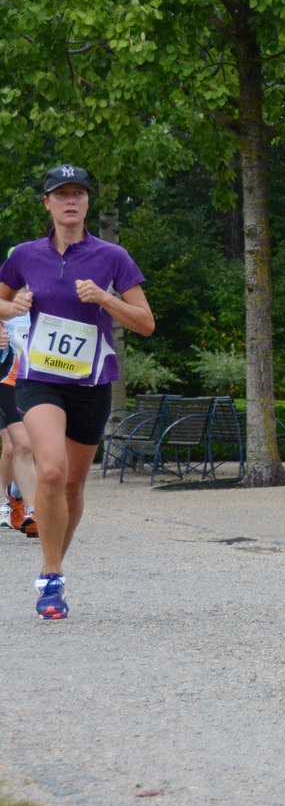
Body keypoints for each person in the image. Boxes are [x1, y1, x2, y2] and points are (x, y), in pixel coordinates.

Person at [0, 166, 155, 618]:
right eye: (60, 194)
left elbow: (145, 323)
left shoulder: (113, 257)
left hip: (91, 382)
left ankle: (56, 564)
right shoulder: (24, 255)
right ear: (46, 203)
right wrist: (14, 306)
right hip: (39, 378)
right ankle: (50, 575)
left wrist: (106, 299)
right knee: (50, 470)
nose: (71, 201)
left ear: (88, 203)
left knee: (71, 483)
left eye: (79, 194)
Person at [2, 310, 39, 536]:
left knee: (40, 447)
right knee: (20, 445)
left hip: (43, 383)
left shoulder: (46, 296)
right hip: (8, 380)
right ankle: (34, 512)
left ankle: (15, 492)